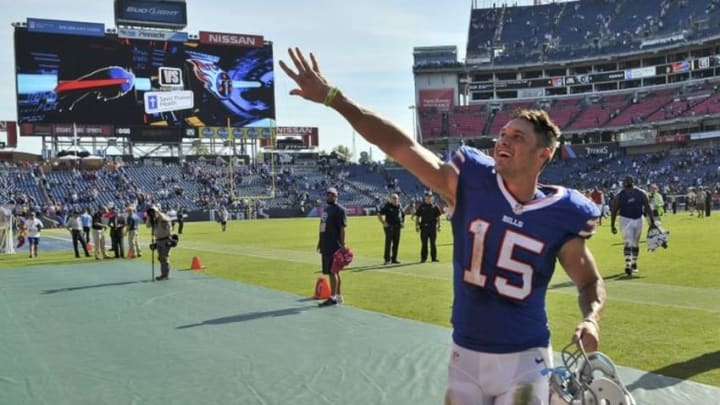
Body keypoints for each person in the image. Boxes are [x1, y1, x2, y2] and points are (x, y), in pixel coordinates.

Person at [280, 48, 605, 404]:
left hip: (526, 359)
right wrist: (333, 99)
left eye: (518, 137)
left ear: (543, 154)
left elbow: (589, 281)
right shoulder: (468, 182)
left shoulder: (562, 211)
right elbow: (400, 145)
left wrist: (592, 318)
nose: (503, 140)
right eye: (504, 133)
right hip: (465, 356)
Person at [610, 176, 655, 276]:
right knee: (628, 241)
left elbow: (648, 208)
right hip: (625, 219)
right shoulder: (621, 195)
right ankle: (628, 264)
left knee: (635, 243)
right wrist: (612, 225)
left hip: (638, 219)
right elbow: (614, 210)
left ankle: (633, 263)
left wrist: (652, 222)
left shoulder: (640, 193)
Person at [316, 187, 347, 307]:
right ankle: (338, 297)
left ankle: (333, 297)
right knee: (335, 272)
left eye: (332, 195)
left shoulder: (339, 210)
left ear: (336, 196)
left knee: (332, 271)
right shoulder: (326, 209)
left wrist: (343, 244)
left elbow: (342, 228)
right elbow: (322, 226)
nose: (329, 196)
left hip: (333, 244)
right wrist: (320, 241)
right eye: (328, 194)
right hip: (326, 243)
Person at [146, 205, 173, 281]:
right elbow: (147, 225)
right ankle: (163, 274)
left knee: (165, 258)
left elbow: (164, 218)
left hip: (166, 240)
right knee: (160, 258)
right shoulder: (154, 220)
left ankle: (166, 275)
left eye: (153, 212)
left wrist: (157, 210)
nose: (153, 213)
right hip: (158, 241)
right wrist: (149, 216)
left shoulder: (164, 217)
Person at [415, 191, 442, 262]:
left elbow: (438, 217)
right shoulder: (422, 206)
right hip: (424, 227)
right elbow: (417, 216)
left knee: (433, 243)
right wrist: (417, 226)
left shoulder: (435, 206)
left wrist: (439, 226)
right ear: (425, 198)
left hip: (432, 228)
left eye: (430, 197)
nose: (429, 198)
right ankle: (423, 258)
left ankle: (434, 258)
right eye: (427, 197)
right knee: (424, 243)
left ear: (432, 198)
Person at [377, 193, 404, 264]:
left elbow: (403, 215)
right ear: (391, 199)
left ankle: (394, 259)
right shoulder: (387, 206)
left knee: (396, 243)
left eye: (396, 198)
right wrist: (383, 222)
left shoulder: (399, 206)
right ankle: (387, 259)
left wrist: (402, 222)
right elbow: (379, 214)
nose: (395, 200)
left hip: (397, 227)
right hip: (389, 227)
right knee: (388, 243)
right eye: (393, 198)